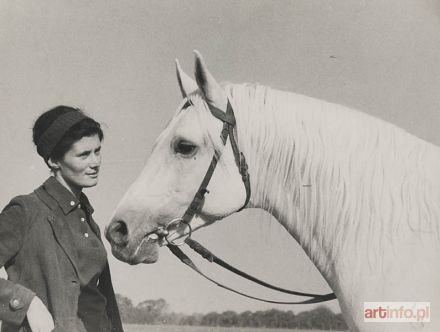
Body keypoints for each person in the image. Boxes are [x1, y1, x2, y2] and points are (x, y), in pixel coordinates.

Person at [0, 106, 124, 332]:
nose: (95, 162)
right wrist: (26, 303)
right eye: (83, 155)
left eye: (97, 151)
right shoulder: (25, 211)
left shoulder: (86, 217)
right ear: (54, 161)